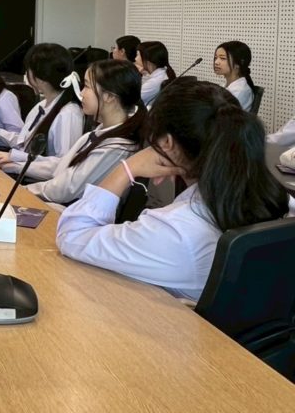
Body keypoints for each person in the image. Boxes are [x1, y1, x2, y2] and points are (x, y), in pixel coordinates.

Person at [56, 79, 292, 301]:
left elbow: (72, 236)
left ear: (167, 143)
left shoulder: (175, 231)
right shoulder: (279, 200)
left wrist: (126, 169)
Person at [27, 60, 145, 206]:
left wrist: (24, 191)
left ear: (109, 97)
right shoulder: (101, 132)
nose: (82, 93)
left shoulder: (116, 148)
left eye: (87, 86)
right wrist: (16, 163)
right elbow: (63, 166)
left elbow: (65, 190)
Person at [0, 43, 84, 181]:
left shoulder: (68, 114)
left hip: (38, 183)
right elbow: (24, 142)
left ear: (40, 78)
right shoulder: (42, 105)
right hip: (22, 174)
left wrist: (16, 164)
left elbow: (62, 166)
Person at [212, 41, 255, 112]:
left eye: (223, 58)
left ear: (239, 63)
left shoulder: (239, 92)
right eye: (216, 58)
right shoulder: (226, 87)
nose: (216, 62)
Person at [135, 40, 175, 106]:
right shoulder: (162, 72)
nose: (135, 59)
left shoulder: (154, 82)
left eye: (137, 55)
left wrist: (134, 75)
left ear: (147, 60)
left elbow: (131, 100)